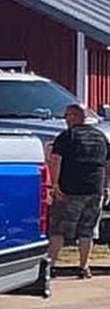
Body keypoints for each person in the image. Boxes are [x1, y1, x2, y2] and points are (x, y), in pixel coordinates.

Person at [47, 103, 110, 279]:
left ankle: (50, 265)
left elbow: (56, 161)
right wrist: (106, 187)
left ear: (75, 116)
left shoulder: (67, 136)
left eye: (68, 115)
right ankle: (84, 266)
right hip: (95, 190)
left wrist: (55, 186)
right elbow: (107, 164)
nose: (65, 119)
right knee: (87, 230)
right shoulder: (100, 136)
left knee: (58, 229)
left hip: (70, 191)